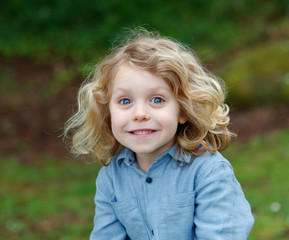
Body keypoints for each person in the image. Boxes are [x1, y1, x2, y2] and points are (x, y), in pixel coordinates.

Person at [64, 29, 254, 240]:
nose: (140, 114)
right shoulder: (111, 178)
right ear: (107, 112)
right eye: (125, 101)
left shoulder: (208, 172)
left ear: (182, 110)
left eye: (157, 100)